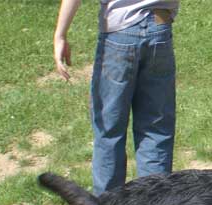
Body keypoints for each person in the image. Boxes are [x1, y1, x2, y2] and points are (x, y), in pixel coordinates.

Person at [53, 0, 179, 195]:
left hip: (118, 32)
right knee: (156, 131)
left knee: (109, 131)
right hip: (160, 28)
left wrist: (60, 34)